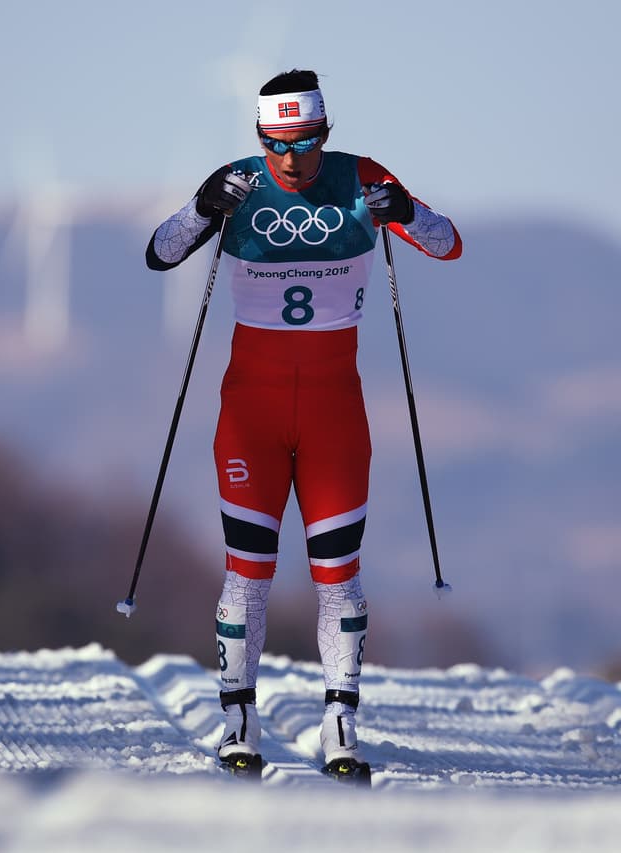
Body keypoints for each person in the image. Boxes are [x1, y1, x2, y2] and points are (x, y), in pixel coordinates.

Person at [145, 69, 461, 782]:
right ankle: (238, 719)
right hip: (250, 414)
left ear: (328, 130)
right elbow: (161, 251)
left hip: (333, 414)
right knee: (247, 573)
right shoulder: (238, 183)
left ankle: (340, 721)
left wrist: (405, 210)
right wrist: (201, 207)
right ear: (261, 139)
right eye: (277, 144)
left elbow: (446, 244)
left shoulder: (363, 178)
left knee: (337, 576)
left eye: (307, 141)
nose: (291, 159)